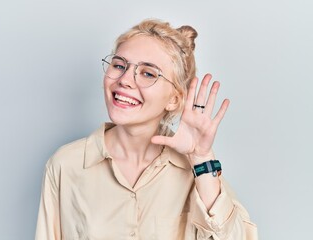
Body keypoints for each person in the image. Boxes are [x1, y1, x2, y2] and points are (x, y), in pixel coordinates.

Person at [35, 19, 258, 240]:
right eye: (119, 65)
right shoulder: (66, 165)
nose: (124, 80)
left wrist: (202, 158)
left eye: (148, 73)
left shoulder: (195, 169)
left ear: (173, 99)